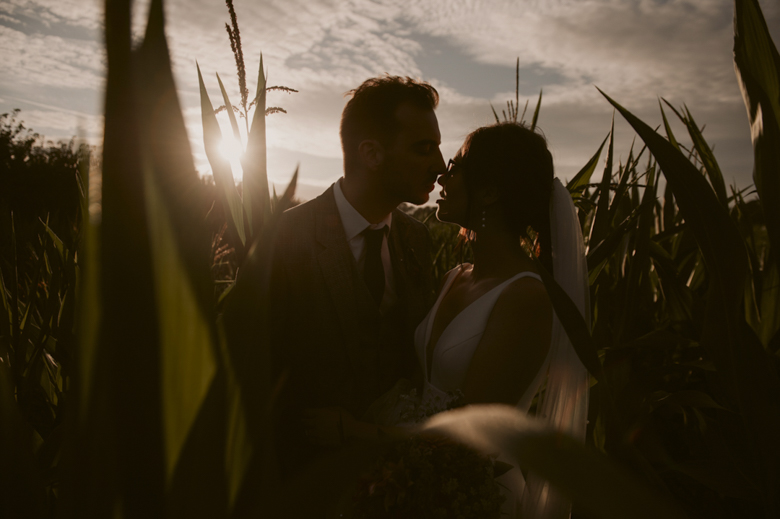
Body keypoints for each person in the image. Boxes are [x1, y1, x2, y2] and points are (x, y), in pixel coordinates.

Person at [305, 122, 591, 519]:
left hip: (474, 494)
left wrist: (353, 432)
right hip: (413, 480)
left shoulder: (526, 297)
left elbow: (472, 431)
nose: (442, 175)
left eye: (455, 167)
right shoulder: (454, 276)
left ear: (489, 191)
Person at [270, 76, 445, 476]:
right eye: (424, 148)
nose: (439, 165)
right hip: (306, 479)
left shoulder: (417, 238)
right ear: (372, 153)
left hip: (397, 478)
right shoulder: (286, 237)